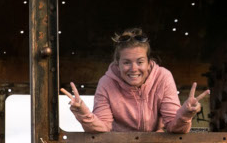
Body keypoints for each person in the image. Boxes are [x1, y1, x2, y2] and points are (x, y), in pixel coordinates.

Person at [63, 28, 208, 134]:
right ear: (117, 64)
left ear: (149, 62)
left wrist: (186, 113)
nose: (134, 69)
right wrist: (82, 112)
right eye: (126, 62)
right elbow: (102, 127)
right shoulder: (106, 83)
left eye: (140, 62)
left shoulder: (163, 77)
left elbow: (173, 126)